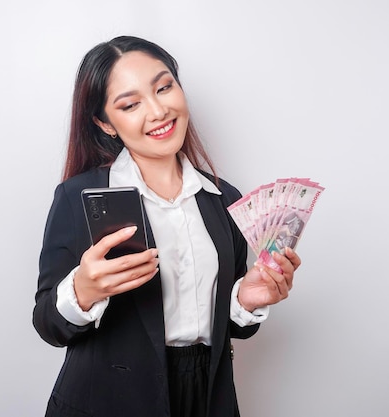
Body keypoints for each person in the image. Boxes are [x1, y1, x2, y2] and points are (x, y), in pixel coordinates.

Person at [33, 35, 301, 417]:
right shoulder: (80, 197)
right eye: (130, 104)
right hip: (108, 402)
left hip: (207, 397)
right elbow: (48, 325)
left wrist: (246, 301)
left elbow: (232, 328)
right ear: (105, 123)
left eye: (164, 87)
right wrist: (83, 290)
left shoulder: (223, 200)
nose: (158, 111)